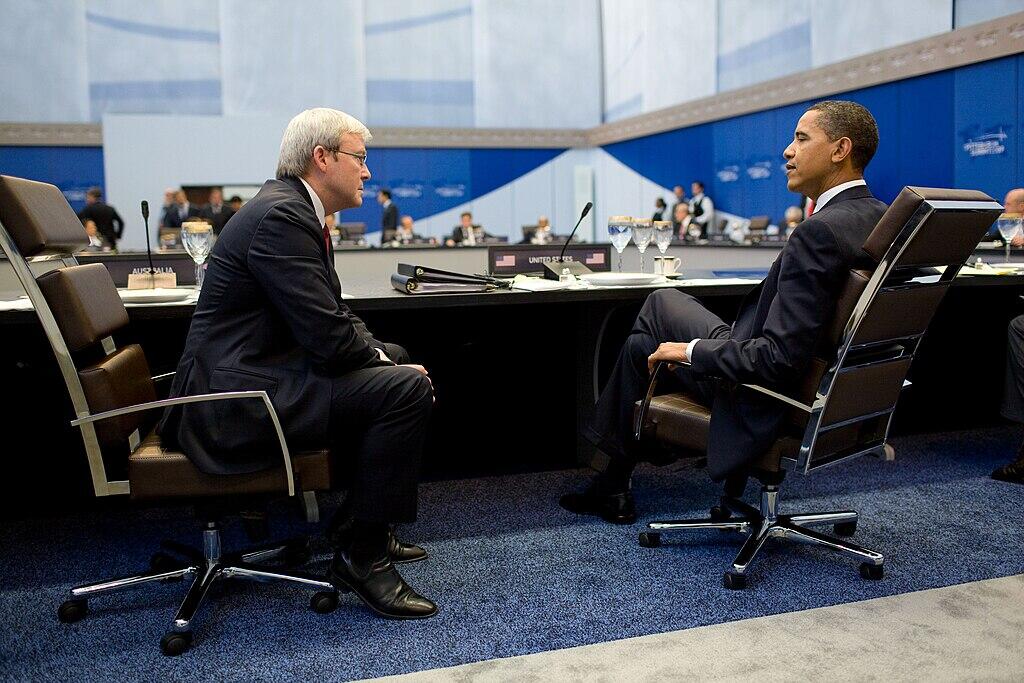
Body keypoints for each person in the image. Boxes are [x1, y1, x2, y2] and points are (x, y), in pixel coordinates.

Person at [157, 108, 437, 619]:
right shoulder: (281, 217)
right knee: (405, 389)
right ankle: (363, 555)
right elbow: (328, 338)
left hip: (250, 377)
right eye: (361, 158)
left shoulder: (292, 210)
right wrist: (386, 368)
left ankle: (358, 523)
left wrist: (382, 357)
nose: (367, 172)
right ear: (322, 159)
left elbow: (335, 315)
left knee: (394, 363)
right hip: (231, 402)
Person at [560, 100, 887, 523]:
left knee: (656, 315)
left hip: (763, 393)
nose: (788, 151)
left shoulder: (818, 233)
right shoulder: (879, 217)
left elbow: (776, 359)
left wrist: (690, 352)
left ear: (840, 150)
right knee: (646, 341)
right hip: (831, 389)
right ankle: (616, 477)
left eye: (801, 139)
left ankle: (619, 469)